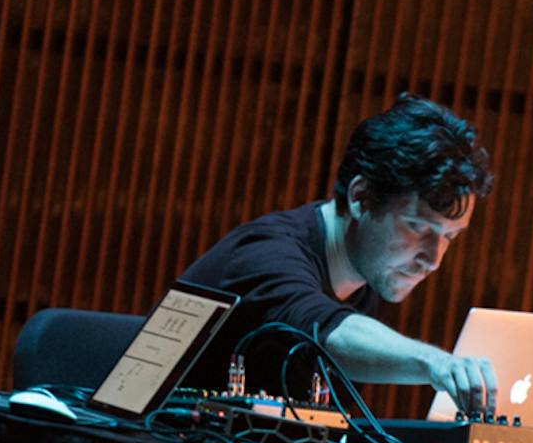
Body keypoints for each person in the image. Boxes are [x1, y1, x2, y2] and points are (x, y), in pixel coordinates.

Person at [178, 93, 499, 414]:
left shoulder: (369, 280)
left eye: (450, 237)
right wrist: (436, 364)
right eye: (417, 227)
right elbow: (321, 329)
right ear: (360, 197)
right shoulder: (265, 253)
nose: (433, 259)